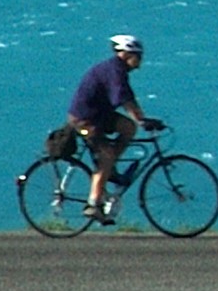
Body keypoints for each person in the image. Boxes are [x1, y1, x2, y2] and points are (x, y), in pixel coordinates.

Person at [66, 34, 160, 225]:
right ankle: (93, 204)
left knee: (128, 127)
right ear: (126, 54)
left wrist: (140, 120)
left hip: (99, 116)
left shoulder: (118, 70)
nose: (140, 61)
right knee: (106, 156)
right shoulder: (114, 71)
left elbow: (129, 99)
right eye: (138, 56)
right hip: (85, 120)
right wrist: (142, 120)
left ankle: (109, 171)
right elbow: (123, 99)